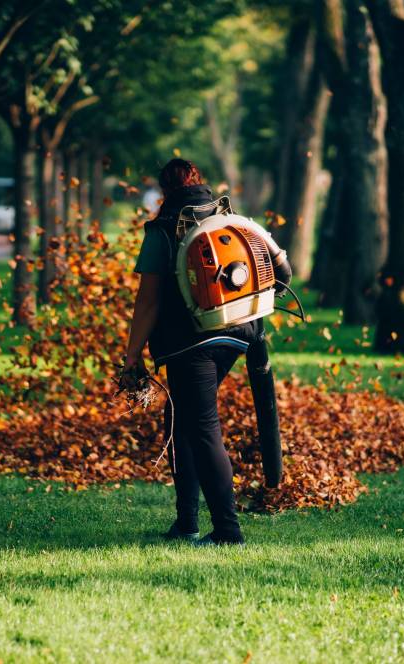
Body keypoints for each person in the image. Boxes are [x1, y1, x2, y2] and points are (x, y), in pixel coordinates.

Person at [124, 158, 261, 546]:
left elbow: (148, 302)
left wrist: (132, 356)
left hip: (192, 343)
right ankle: (186, 523)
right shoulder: (230, 219)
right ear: (199, 182)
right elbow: (279, 271)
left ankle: (228, 532)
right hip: (237, 335)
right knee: (180, 417)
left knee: (201, 428)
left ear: (165, 190)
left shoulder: (163, 230)